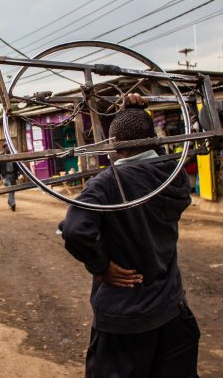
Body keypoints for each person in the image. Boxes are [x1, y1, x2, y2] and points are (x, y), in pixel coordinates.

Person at [59, 94, 200, 378]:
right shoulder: (173, 173)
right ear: (154, 139)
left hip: (125, 321)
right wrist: (134, 116)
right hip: (173, 312)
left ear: (112, 145)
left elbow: (74, 229)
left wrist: (101, 267)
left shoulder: (107, 183)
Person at [0, 143, 20, 211]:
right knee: (10, 188)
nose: (8, 148)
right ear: (4, 148)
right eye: (6, 146)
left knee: (12, 190)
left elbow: (19, 165)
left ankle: (9, 201)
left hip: (13, 175)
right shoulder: (1, 156)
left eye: (9, 146)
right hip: (6, 176)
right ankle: (13, 204)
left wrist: (20, 174)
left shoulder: (14, 155)